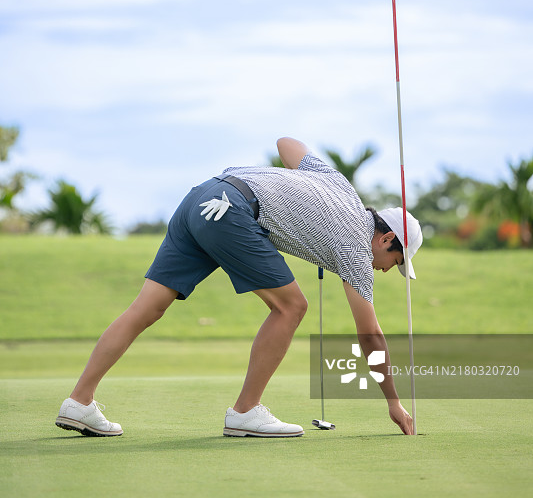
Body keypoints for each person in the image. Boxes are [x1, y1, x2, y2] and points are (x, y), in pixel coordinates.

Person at [55, 137, 422, 439]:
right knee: (291, 307)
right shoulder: (357, 250)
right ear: (387, 237)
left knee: (146, 308)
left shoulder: (339, 184)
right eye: (397, 262)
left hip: (201, 197)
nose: (389, 270)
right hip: (233, 211)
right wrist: (393, 401)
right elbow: (370, 335)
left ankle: (79, 401)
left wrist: (304, 193)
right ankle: (245, 411)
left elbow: (287, 143)